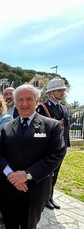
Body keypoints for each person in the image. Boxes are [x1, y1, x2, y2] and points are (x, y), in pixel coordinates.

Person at [0, 83, 66, 229]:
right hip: (10, 185)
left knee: (28, 225)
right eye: (20, 100)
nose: (24, 103)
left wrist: (26, 175)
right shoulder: (8, 127)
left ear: (37, 101)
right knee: (9, 217)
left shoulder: (50, 126)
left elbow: (56, 154)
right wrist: (11, 175)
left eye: (29, 99)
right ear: (15, 103)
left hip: (35, 186)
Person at [36, 77, 70, 210]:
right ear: (51, 93)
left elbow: (66, 129)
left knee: (55, 174)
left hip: (61, 147)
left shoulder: (64, 109)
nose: (62, 92)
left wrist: (66, 145)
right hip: (48, 148)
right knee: (47, 174)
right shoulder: (42, 108)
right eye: (59, 90)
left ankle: (50, 196)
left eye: (63, 90)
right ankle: (44, 198)